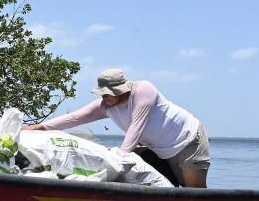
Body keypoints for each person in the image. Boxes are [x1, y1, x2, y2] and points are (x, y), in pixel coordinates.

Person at [23, 68, 211, 187]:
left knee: (193, 190)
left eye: (109, 94)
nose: (105, 98)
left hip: (187, 140)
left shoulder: (144, 90)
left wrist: (117, 158)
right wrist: (35, 128)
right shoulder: (105, 106)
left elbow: (136, 128)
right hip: (158, 149)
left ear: (122, 89)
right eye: (103, 94)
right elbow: (72, 119)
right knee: (166, 188)